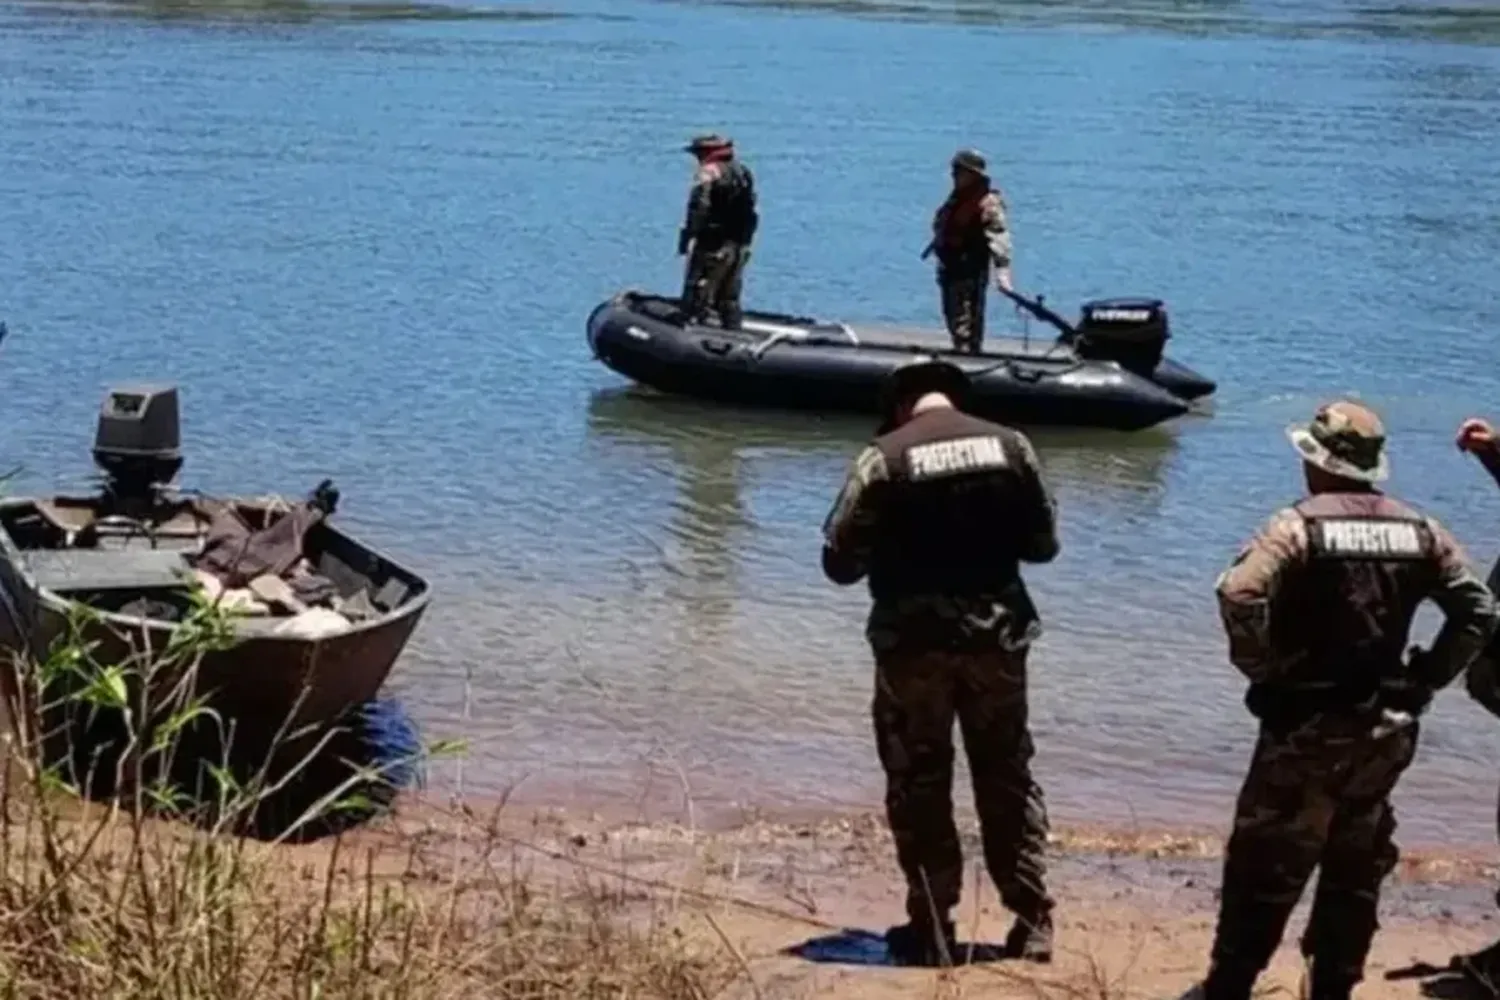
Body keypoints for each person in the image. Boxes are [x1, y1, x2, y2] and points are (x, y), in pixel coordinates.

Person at [1179, 400, 1498, 1000]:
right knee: (1355, 862)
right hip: (1382, 729)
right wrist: (1428, 676)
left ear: (1317, 463)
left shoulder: (1297, 527)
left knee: (1264, 862)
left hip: (1304, 724)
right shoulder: (1421, 530)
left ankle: (1231, 984)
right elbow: (1479, 611)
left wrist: (1263, 666)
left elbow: (1240, 593)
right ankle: (1332, 986)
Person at [819, 356, 1059, 967]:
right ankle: (1032, 920)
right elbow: (1044, 546)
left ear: (901, 406)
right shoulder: (1012, 447)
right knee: (1006, 774)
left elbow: (839, 563)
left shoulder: (885, 458)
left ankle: (932, 922)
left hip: (913, 647)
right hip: (997, 643)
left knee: (919, 779)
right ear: (956, 399)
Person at [927, 148, 1013, 355]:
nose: (953, 175)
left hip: (970, 269)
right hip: (950, 266)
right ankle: (962, 349)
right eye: (954, 171)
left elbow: (999, 236)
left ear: (972, 175)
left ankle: (968, 354)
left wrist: (1003, 273)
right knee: (953, 315)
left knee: (966, 320)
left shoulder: (987, 203)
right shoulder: (957, 198)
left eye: (959, 171)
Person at [677, 133, 758, 331]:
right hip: (739, 243)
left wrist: (688, 236)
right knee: (729, 294)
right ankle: (732, 329)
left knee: (699, 289)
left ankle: (696, 330)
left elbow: (699, 207)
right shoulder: (743, 172)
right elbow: (752, 208)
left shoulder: (708, 172)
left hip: (713, 243)